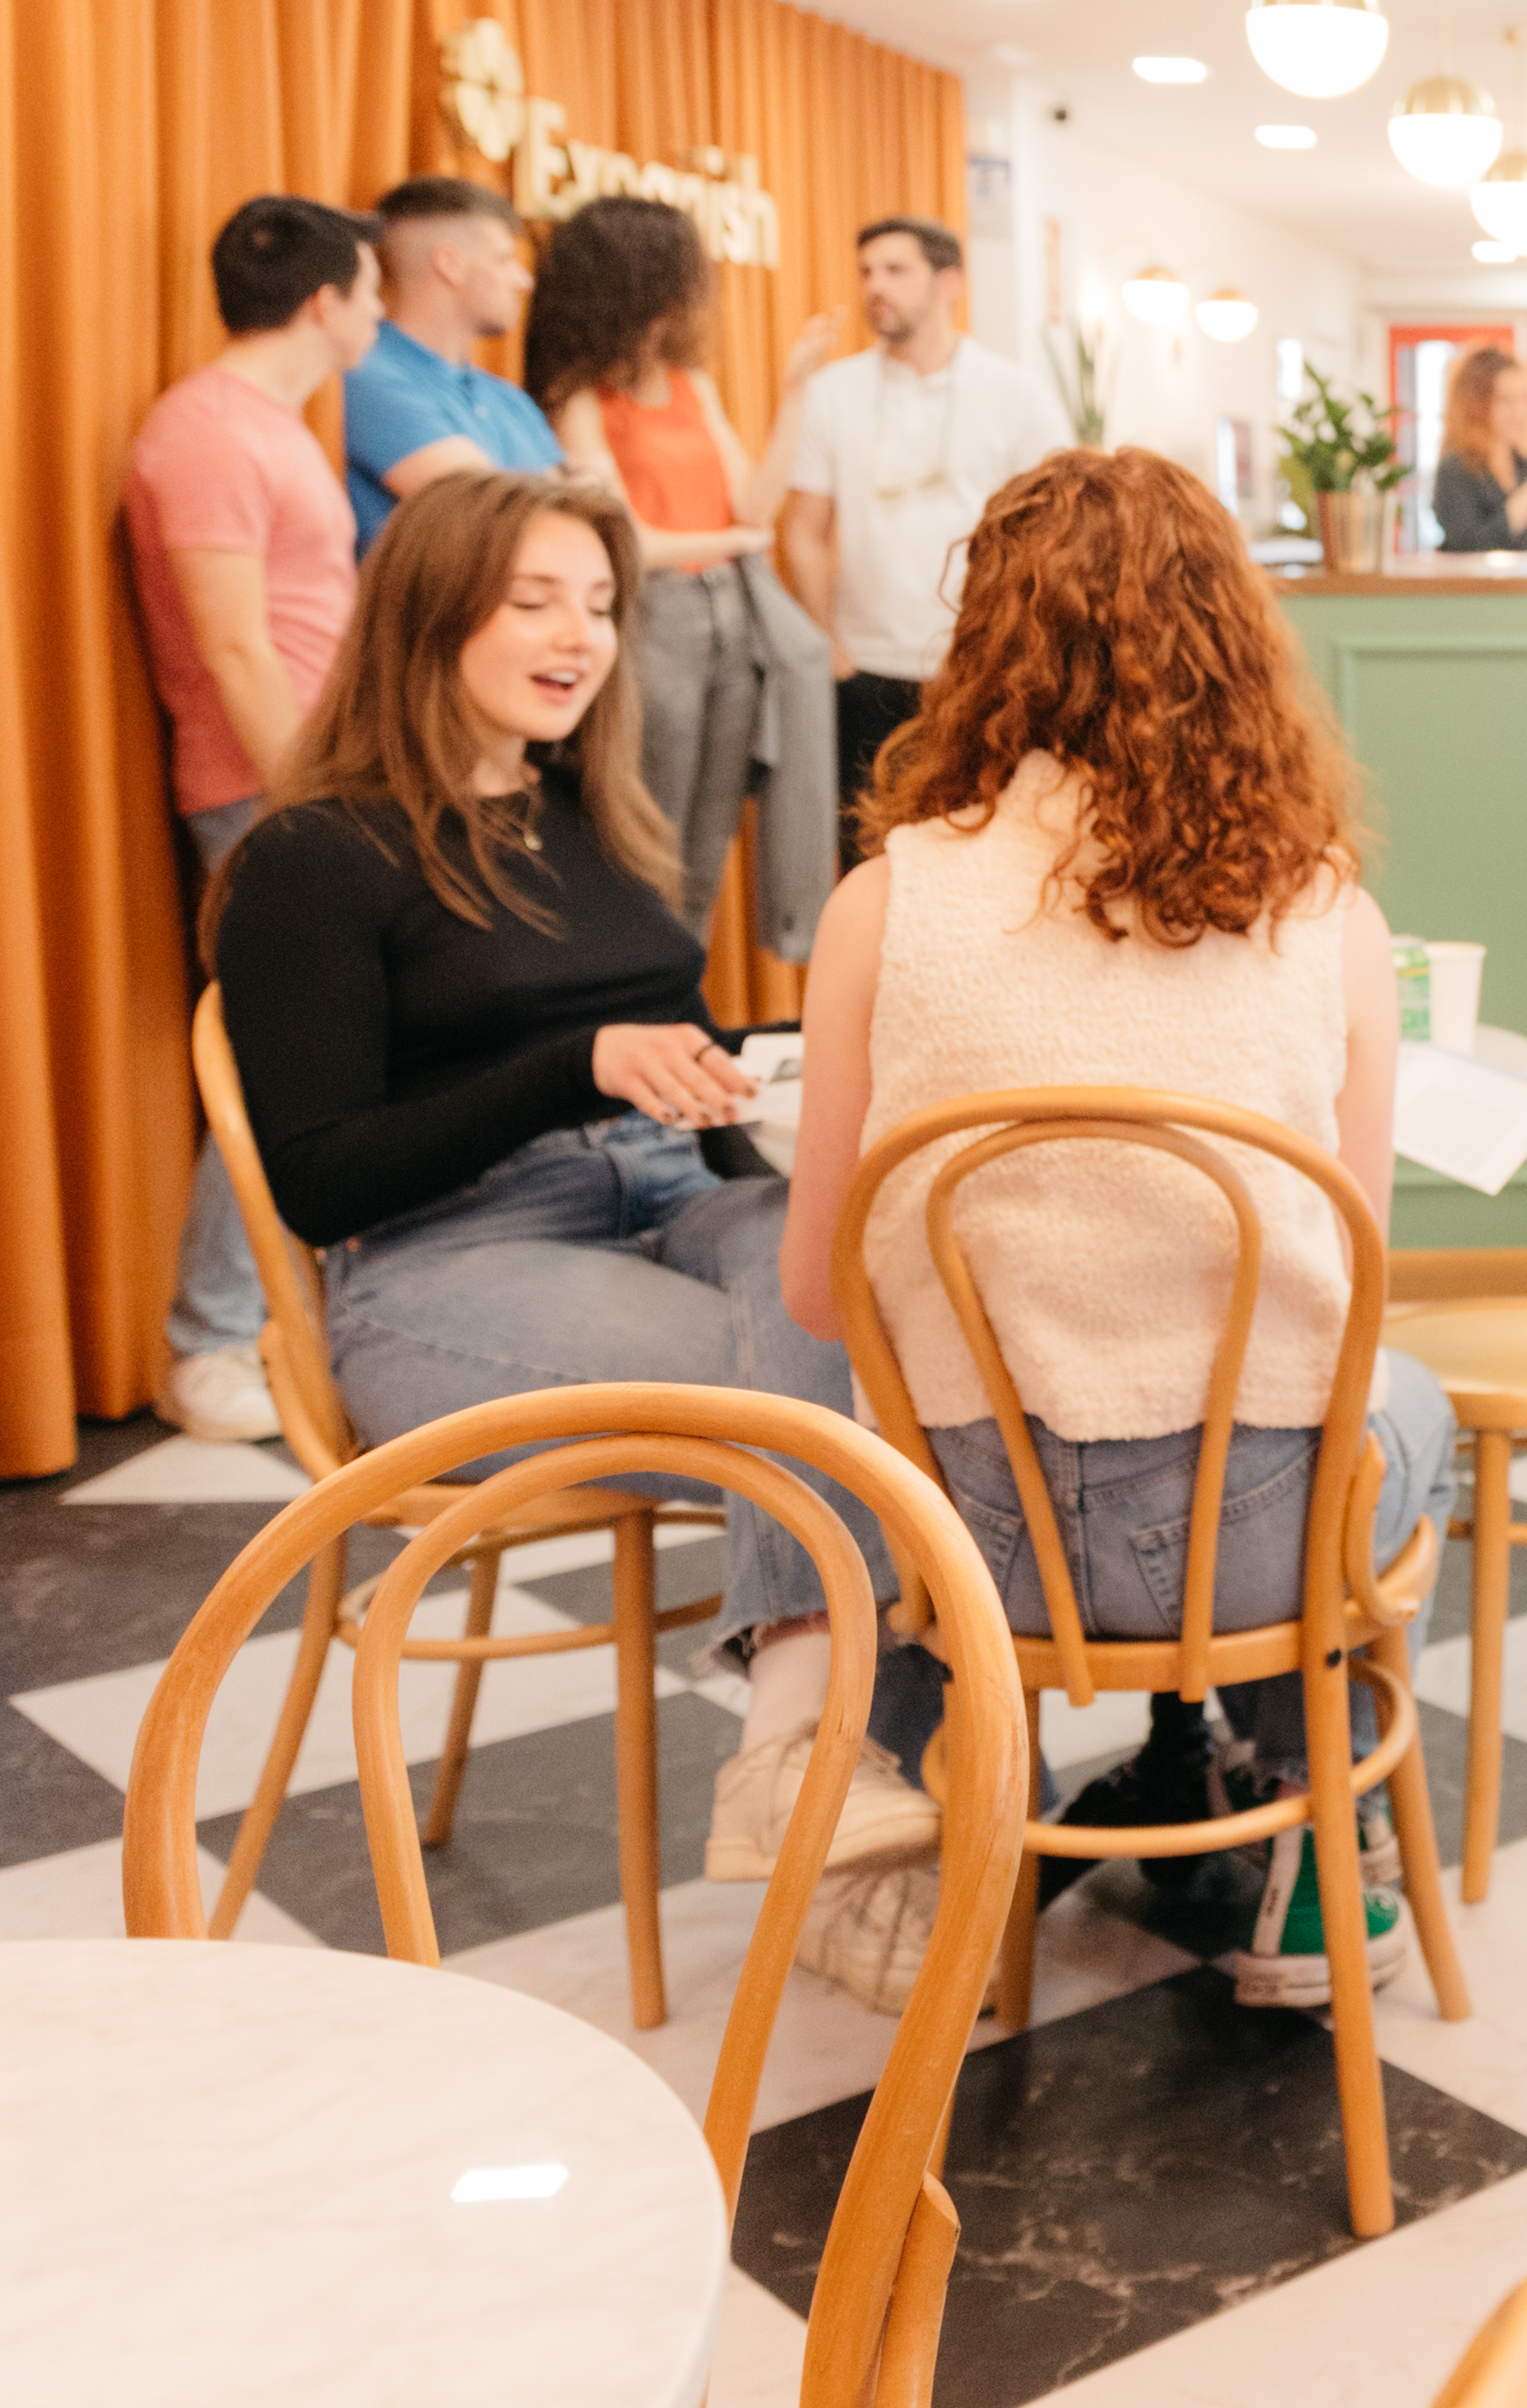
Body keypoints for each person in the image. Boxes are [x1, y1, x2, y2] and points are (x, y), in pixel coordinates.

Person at [205, 467, 937, 1999]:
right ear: (429, 612)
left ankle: (805, 1761)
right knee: (803, 1401)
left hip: (663, 1196)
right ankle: (850, 1806)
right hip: (441, 1267)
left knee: (864, 1310)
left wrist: (782, 1084)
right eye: (534, 600)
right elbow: (322, 1180)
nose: (580, 637)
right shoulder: (313, 859)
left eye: (600, 605)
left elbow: (664, 1051)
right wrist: (572, 1067)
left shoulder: (575, 807)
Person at [774, 447, 1464, 2009]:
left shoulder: (884, 905)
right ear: (1237, 645)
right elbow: (1356, 1282)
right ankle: (1324, 1838)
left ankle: (953, 1810)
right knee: (1409, 1403)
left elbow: (818, 1290)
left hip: (982, 1555)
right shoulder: (1326, 911)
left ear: (980, 647)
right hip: (1251, 1551)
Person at [120, 193, 388, 1442]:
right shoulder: (207, 433)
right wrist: (309, 802)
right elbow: (233, 642)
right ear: (326, 300)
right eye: (372, 292)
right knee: (278, 1061)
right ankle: (209, 1338)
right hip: (263, 790)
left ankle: (280, 1314)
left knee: (329, 1061)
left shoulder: (273, 426)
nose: (379, 314)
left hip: (316, 779)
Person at [525, 193, 841, 953]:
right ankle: (638, 992)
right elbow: (620, 542)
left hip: (729, 610)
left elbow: (756, 503)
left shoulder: (690, 385)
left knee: (709, 833)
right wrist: (732, 536)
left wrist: (796, 390)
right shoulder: (577, 398)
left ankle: (681, 994)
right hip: (650, 615)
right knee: (648, 822)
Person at [772, 215, 1073, 844]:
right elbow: (802, 530)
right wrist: (824, 639)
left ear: (948, 284)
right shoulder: (833, 392)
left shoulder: (1015, 393)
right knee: (871, 850)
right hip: (865, 669)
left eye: (894, 270)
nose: (874, 286)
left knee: (985, 848)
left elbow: (1059, 530)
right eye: (866, 272)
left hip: (980, 669)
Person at [344, 176, 563, 547]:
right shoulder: (365, 375)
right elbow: (492, 512)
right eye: (504, 260)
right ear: (450, 263)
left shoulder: (509, 400)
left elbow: (578, 518)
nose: (523, 281)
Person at [1423, 343, 1527, 560]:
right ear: (1475, 404)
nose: (1519, 411)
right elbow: (1466, 547)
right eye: (1505, 400)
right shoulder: (1455, 470)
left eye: (1523, 398)